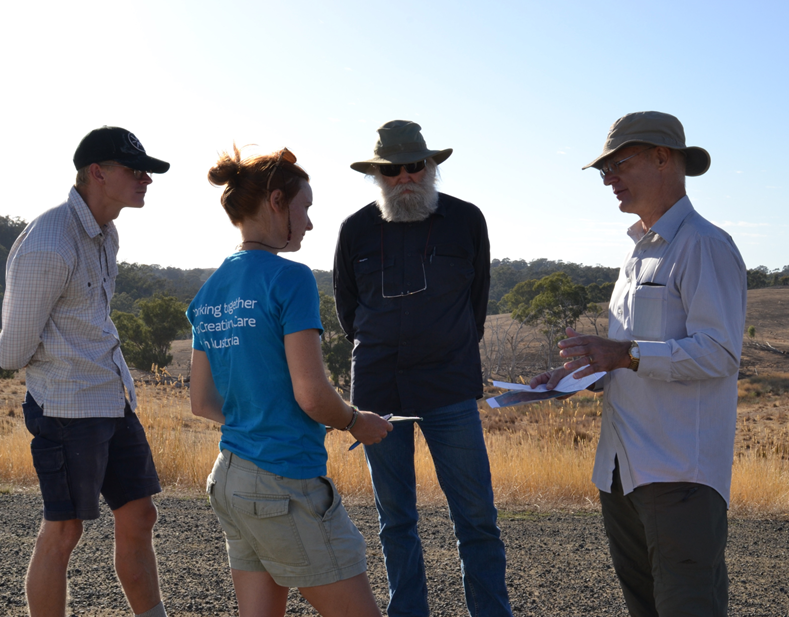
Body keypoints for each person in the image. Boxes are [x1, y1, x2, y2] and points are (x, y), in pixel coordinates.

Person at [526, 111, 744, 617]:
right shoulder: (637, 255)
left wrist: (624, 353)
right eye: (604, 170)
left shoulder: (704, 245)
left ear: (663, 159)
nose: (608, 180)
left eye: (618, 164)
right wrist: (576, 375)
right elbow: (633, 359)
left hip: (679, 474)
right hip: (622, 472)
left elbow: (720, 352)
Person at [186, 146, 393, 617]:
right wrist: (357, 421)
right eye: (306, 208)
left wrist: (257, 415)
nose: (310, 223)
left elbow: (201, 401)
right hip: (284, 483)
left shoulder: (209, 291)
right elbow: (313, 394)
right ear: (277, 201)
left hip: (231, 478)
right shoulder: (291, 278)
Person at [332, 120, 509, 617]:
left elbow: (477, 303)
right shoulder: (355, 230)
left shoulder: (467, 220)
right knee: (395, 520)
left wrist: (444, 345)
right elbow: (349, 310)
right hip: (378, 391)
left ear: (431, 168)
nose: (405, 177)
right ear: (377, 175)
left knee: (476, 517)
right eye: (392, 170)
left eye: (415, 166)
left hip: (449, 387)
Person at [0, 126, 172, 617]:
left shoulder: (106, 232)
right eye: (135, 170)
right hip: (67, 405)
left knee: (139, 513)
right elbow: (11, 352)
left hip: (111, 398)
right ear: (97, 172)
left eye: (147, 171)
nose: (146, 179)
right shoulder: (49, 242)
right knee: (65, 529)